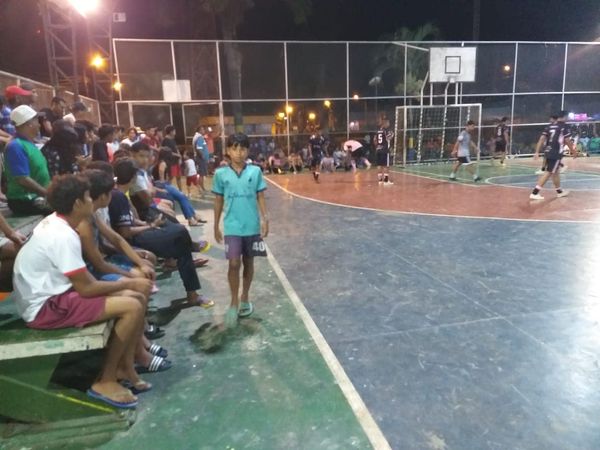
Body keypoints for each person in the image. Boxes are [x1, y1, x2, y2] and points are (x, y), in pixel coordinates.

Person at [12, 174, 153, 408]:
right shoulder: (63, 235)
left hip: (55, 295)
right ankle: (106, 380)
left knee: (136, 297)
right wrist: (129, 283)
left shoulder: (58, 222)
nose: (91, 200)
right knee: (132, 305)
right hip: (45, 307)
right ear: (77, 203)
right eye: (88, 197)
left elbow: (85, 282)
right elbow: (87, 288)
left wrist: (130, 286)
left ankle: (125, 367)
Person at [109, 159, 213, 308]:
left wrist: (148, 224)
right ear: (133, 177)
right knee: (180, 232)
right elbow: (125, 232)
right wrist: (150, 226)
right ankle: (192, 251)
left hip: (138, 233)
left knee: (180, 243)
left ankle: (192, 293)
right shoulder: (118, 196)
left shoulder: (122, 193)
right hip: (133, 240)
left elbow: (131, 220)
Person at [213, 133, 269, 328]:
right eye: (235, 148)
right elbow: (218, 200)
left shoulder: (255, 171)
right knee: (234, 263)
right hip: (232, 226)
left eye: (243, 148)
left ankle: (245, 296)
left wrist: (265, 219)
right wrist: (215, 225)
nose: (239, 152)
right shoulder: (220, 174)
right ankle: (233, 302)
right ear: (228, 150)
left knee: (248, 261)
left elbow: (260, 196)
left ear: (248, 151)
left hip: (251, 225)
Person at [4, 105, 53, 215]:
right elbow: (22, 179)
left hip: (37, 196)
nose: (39, 125)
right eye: (36, 121)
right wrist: (46, 193)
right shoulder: (16, 146)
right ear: (28, 123)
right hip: (25, 200)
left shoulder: (28, 143)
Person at [529, 111, 577, 200]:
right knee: (549, 172)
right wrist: (573, 151)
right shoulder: (563, 127)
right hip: (555, 153)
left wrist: (537, 152)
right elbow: (567, 141)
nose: (567, 119)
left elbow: (541, 139)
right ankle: (535, 192)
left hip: (548, 151)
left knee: (555, 172)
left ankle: (559, 192)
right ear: (564, 117)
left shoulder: (549, 126)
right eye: (567, 117)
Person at [161, 125, 183, 190]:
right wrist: (177, 155)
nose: (175, 132)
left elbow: (176, 148)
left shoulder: (172, 139)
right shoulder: (165, 140)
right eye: (174, 131)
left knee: (178, 176)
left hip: (176, 161)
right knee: (170, 177)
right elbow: (167, 152)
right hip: (170, 161)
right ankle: (167, 190)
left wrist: (179, 157)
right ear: (171, 132)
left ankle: (180, 191)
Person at [375, 116, 394, 185]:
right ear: (385, 123)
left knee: (379, 165)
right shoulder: (386, 131)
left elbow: (375, 140)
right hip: (385, 150)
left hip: (378, 149)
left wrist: (378, 146)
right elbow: (388, 138)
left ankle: (380, 180)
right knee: (386, 165)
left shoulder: (378, 131)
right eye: (388, 122)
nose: (389, 124)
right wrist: (392, 134)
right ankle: (386, 181)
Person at [192, 126, 209, 194]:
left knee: (200, 174)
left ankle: (201, 188)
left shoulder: (197, 136)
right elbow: (199, 149)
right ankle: (202, 189)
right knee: (201, 174)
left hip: (199, 158)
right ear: (199, 130)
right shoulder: (199, 137)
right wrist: (203, 157)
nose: (204, 130)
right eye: (203, 129)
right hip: (200, 159)